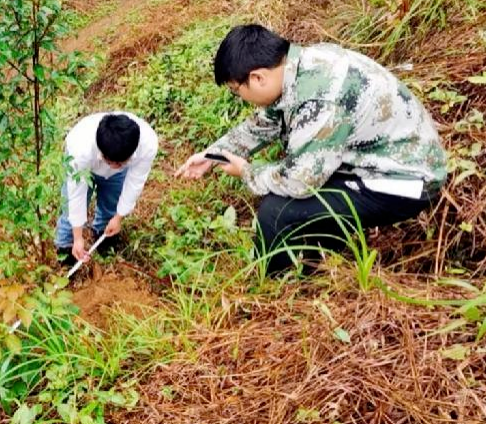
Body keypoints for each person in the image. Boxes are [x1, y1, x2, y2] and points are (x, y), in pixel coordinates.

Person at [176, 24, 446, 274]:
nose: (241, 98)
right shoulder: (301, 65)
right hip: (377, 161)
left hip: (403, 180)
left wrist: (247, 171)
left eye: (236, 90)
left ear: (257, 78)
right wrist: (213, 154)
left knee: (276, 210)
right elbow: (266, 123)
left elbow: (298, 181)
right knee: (312, 197)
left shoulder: (320, 99)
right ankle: (313, 267)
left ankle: (274, 287)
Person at [55, 112, 159, 265]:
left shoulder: (147, 145)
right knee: (69, 213)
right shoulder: (80, 147)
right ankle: (66, 250)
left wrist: (118, 217)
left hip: (116, 169)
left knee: (111, 204)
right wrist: (78, 237)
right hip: (85, 166)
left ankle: (104, 238)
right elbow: (76, 195)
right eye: (109, 161)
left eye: (120, 163)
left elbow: (135, 182)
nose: (114, 166)